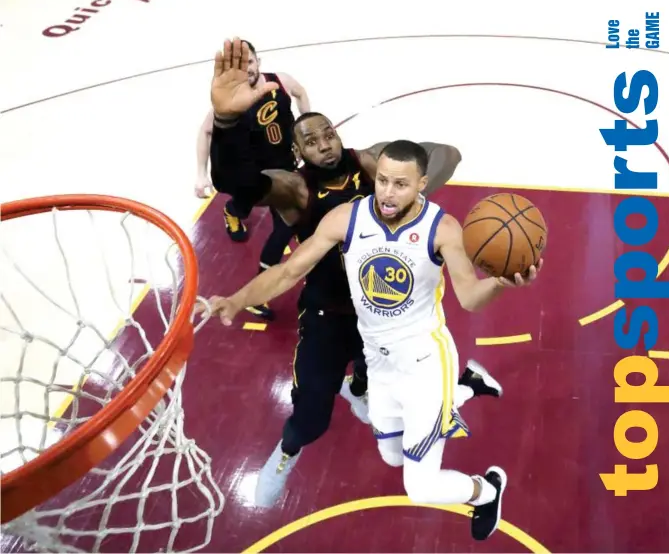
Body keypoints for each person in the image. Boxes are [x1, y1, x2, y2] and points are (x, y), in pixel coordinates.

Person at [203, 38, 502, 510]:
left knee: (380, 394)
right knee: (312, 415)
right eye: (311, 141)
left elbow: (444, 155)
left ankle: (449, 385)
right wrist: (223, 120)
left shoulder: (369, 165)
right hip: (327, 313)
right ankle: (287, 451)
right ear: (297, 152)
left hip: (385, 320)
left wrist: (413, 193)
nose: (323, 144)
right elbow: (235, 185)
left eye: (328, 135)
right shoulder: (297, 188)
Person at [200, 139, 543, 541]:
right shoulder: (347, 218)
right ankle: (465, 387)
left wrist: (500, 284)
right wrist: (237, 300)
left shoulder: (442, 229)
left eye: (400, 184)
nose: (387, 192)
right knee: (391, 455)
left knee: (421, 488)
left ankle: (487, 490)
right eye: (381, 180)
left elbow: (469, 298)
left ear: (422, 184)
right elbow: (289, 271)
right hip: (379, 363)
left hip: (425, 362)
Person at [197, 39, 311, 320]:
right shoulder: (232, 102)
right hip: (258, 175)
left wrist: (307, 125)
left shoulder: (280, 81)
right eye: (239, 63)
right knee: (283, 225)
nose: (245, 67)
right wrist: (200, 174)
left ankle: (234, 212)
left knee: (286, 224)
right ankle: (258, 291)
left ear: (259, 61)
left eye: (249, 61)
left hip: (286, 166)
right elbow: (205, 133)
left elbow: (300, 91)